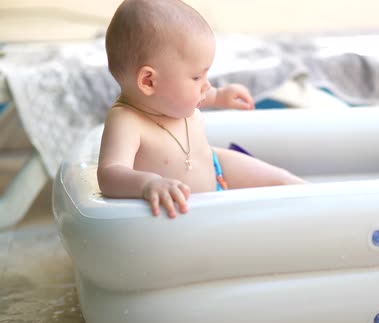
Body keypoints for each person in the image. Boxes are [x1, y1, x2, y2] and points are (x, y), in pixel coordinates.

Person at [98, 0, 305, 219]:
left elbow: (204, 94)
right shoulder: (126, 121)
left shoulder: (171, 98)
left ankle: (323, 202)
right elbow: (109, 174)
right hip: (190, 210)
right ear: (149, 81)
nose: (206, 85)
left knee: (282, 181)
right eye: (197, 76)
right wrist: (148, 183)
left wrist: (222, 95)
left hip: (218, 169)